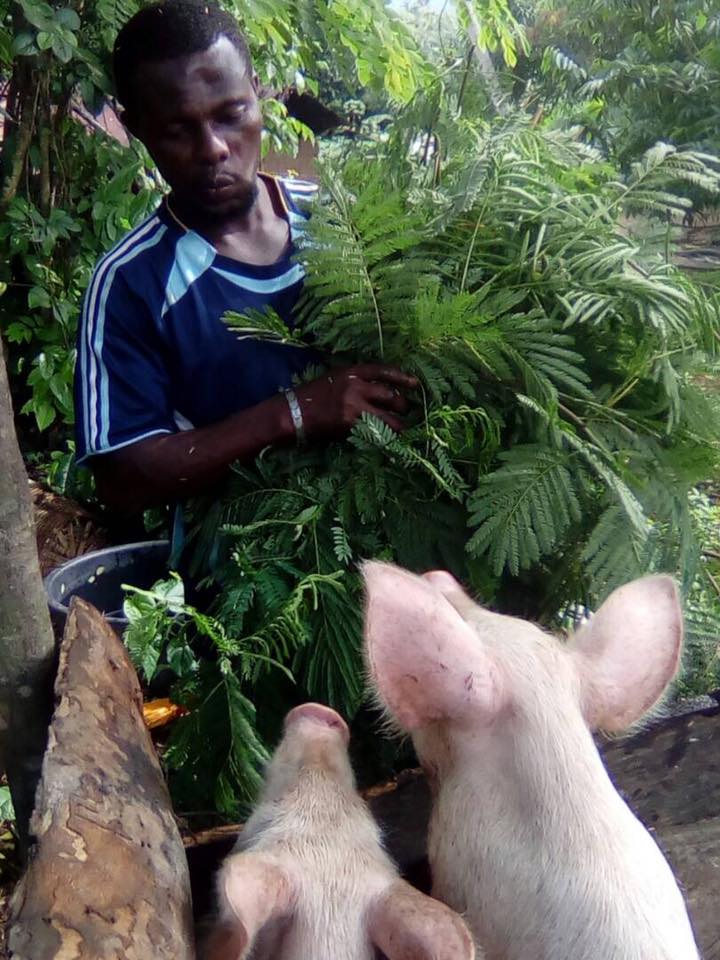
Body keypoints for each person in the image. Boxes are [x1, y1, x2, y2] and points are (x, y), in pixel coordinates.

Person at [74, 0, 417, 518]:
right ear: (136, 127)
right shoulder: (129, 283)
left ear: (257, 91)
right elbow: (122, 476)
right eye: (177, 129)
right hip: (238, 565)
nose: (212, 148)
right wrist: (297, 413)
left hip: (391, 519)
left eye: (230, 115)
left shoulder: (344, 226)